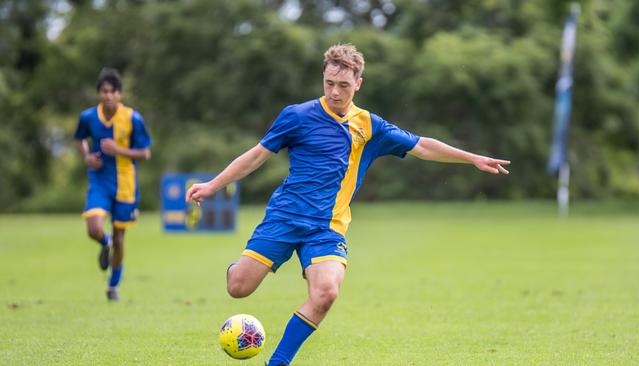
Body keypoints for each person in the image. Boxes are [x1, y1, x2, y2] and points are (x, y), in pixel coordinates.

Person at [186, 44, 510, 365]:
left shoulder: (369, 125)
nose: (335, 92)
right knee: (238, 288)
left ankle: (278, 363)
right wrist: (214, 185)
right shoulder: (297, 116)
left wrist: (472, 159)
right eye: (329, 83)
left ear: (358, 83)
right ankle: (238, 268)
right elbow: (257, 154)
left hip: (327, 228)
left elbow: (422, 146)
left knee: (326, 293)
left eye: (343, 85)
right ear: (323, 78)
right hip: (284, 217)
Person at [74, 68, 152, 301]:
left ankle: (113, 285)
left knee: (120, 238)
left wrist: (119, 150)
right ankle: (103, 242)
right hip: (99, 180)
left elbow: (145, 153)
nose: (108, 96)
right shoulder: (88, 117)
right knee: (94, 228)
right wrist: (87, 156)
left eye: (112, 91)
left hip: (125, 183)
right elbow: (79, 138)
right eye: (104, 91)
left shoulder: (132, 119)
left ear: (119, 94)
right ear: (99, 93)